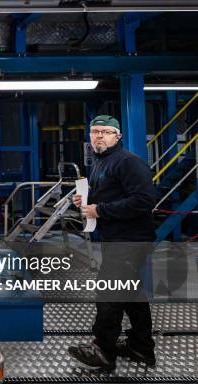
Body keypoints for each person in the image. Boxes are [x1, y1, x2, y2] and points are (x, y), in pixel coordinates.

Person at [67, 115, 157, 370]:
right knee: (130, 294)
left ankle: (103, 351)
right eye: (95, 131)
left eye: (106, 132)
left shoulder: (128, 162)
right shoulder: (101, 162)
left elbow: (144, 200)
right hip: (116, 238)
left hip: (130, 240)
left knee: (109, 293)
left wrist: (101, 210)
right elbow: (110, 193)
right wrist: (85, 200)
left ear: (118, 136)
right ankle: (141, 347)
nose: (99, 136)